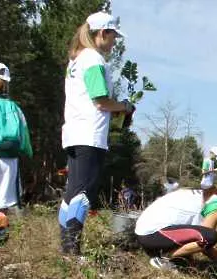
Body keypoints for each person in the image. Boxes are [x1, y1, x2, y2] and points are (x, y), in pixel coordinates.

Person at [58, 12, 134, 256]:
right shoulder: (93, 60)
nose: (114, 42)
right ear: (102, 33)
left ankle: (66, 246)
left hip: (73, 132)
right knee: (82, 192)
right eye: (113, 37)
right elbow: (100, 101)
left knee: (71, 192)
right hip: (89, 135)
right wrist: (124, 106)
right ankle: (72, 249)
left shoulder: (77, 59)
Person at [134, 184, 217, 270]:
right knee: (210, 236)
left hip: (146, 234)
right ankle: (163, 258)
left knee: (190, 256)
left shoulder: (205, 195)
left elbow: (190, 234)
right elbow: (206, 243)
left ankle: (168, 256)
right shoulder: (216, 203)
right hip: (152, 234)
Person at [0, 61, 33, 244]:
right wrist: (27, 153)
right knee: (2, 203)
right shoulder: (15, 107)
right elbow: (24, 136)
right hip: (10, 161)